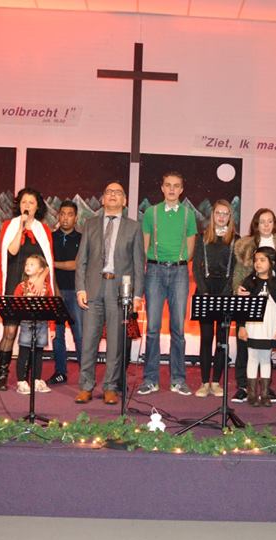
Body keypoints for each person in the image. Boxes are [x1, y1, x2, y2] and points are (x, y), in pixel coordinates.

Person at [74, 182, 145, 405]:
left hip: (119, 291)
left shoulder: (134, 227)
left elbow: (138, 264)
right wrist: (80, 288)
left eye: (118, 193)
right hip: (93, 288)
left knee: (115, 341)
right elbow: (81, 260)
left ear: (125, 201)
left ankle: (110, 387)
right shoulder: (90, 224)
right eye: (109, 192)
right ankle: (85, 386)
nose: (113, 195)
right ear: (103, 199)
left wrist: (136, 296)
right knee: (89, 340)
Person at [138, 171, 197, 397]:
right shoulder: (150, 213)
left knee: (178, 329)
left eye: (176, 186)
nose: (172, 189)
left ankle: (178, 380)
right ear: (162, 188)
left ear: (181, 189)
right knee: (152, 329)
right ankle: (150, 379)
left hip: (179, 272)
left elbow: (190, 249)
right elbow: (145, 246)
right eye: (168, 185)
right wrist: (155, 263)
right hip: (154, 271)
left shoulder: (188, 215)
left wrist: (178, 261)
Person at [0, 188, 55, 391]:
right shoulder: (9, 225)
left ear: (37, 207)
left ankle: (28, 376)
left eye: (31, 202)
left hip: (35, 288)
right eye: (23, 202)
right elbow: (11, 251)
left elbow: (48, 262)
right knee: (10, 331)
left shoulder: (43, 230)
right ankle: (2, 373)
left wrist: (41, 280)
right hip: (14, 284)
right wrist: (20, 227)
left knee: (34, 332)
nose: (27, 206)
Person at [231, 208, 276, 403]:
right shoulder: (246, 245)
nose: (266, 225)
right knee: (246, 352)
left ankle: (265, 390)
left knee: (265, 355)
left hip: (271, 312)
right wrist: (238, 289)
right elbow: (239, 274)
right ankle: (245, 388)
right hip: (250, 307)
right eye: (262, 221)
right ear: (256, 224)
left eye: (269, 221)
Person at [192, 200, 237, 398]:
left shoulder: (236, 240)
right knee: (206, 338)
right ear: (213, 216)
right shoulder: (202, 238)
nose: (221, 217)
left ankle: (216, 382)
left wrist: (227, 291)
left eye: (225, 214)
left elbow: (235, 269)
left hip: (226, 290)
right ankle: (204, 382)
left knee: (221, 340)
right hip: (205, 291)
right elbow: (196, 267)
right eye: (218, 213)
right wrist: (203, 292)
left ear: (230, 217)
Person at [237, 247, 276, 407]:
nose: (258, 263)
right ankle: (252, 394)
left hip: (270, 325)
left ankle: (265, 393)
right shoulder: (249, 281)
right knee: (252, 358)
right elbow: (242, 306)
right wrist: (241, 326)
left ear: (272, 262)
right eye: (256, 260)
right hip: (253, 325)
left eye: (262, 260)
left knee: (266, 358)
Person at [49, 200, 84, 386]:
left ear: (76, 218)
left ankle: (85, 374)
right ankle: (60, 372)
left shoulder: (82, 238)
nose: (65, 218)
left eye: (70, 214)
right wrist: (55, 291)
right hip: (56, 292)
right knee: (58, 335)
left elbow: (76, 264)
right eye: (62, 214)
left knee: (80, 334)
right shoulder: (50, 237)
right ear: (58, 216)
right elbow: (45, 265)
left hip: (76, 292)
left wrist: (52, 263)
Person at [13, 254, 53, 395]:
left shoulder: (47, 287)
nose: (27, 267)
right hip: (26, 323)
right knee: (24, 352)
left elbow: (51, 308)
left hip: (42, 324)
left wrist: (52, 327)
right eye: (26, 264)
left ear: (41, 269)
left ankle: (36, 380)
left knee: (38, 353)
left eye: (32, 264)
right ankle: (21, 381)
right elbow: (15, 305)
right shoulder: (21, 286)